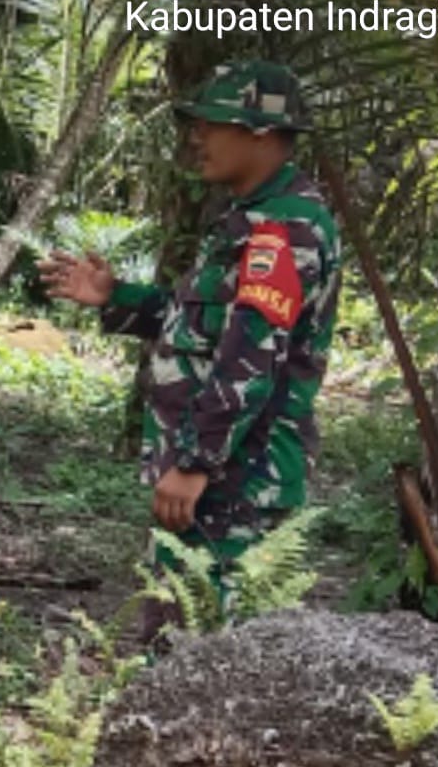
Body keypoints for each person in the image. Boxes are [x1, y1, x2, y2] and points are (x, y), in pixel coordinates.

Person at [39, 60, 342, 610]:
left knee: (198, 641)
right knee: (181, 630)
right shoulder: (249, 217)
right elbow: (206, 326)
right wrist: (116, 298)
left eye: (210, 124)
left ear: (261, 131)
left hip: (237, 481)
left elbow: (250, 358)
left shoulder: (284, 228)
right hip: (221, 478)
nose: (195, 138)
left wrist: (195, 462)